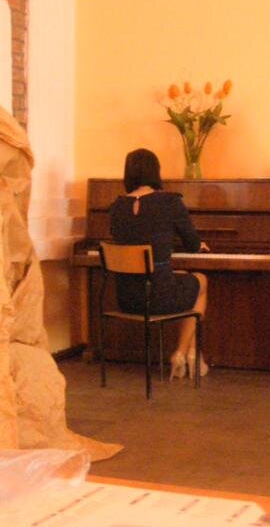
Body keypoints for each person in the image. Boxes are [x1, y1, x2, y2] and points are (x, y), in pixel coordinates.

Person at [109, 148, 209, 379]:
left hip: (127, 298)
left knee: (178, 275)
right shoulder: (170, 202)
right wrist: (198, 245)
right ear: (156, 172)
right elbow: (192, 243)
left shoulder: (116, 207)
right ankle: (181, 352)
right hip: (157, 297)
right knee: (201, 281)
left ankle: (194, 354)